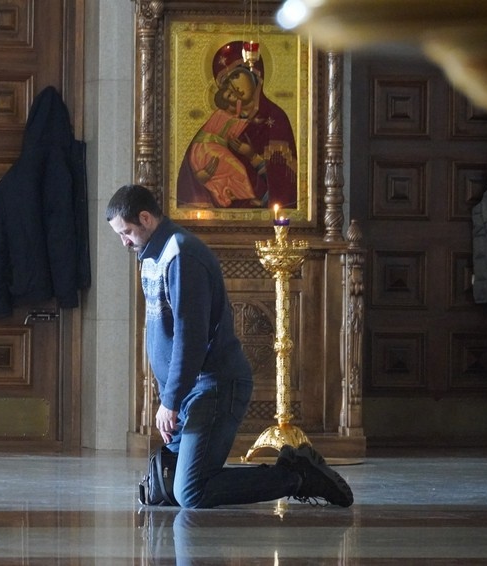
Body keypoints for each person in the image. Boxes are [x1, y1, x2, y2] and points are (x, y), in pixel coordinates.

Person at [106, 184, 353, 509]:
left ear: (145, 218)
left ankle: (298, 475)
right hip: (189, 391)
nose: (124, 242)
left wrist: (170, 400)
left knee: (191, 492)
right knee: (171, 487)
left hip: (214, 386)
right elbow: (162, 334)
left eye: (126, 232)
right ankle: (293, 473)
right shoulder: (151, 256)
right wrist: (169, 399)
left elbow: (190, 338)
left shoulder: (181, 255)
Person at [177, 40, 298, 210]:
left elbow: (283, 181)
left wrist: (252, 156)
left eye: (235, 76)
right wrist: (200, 178)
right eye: (227, 85)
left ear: (253, 71)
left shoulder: (275, 118)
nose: (233, 87)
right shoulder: (220, 121)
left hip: (266, 215)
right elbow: (193, 166)